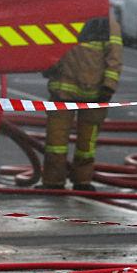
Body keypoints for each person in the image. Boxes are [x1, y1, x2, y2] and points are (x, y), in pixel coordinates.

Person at [40, 15, 123, 191]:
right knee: (56, 143)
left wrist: (108, 87)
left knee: (86, 145)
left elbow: (114, 57)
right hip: (67, 93)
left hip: (91, 95)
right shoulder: (64, 15)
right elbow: (47, 46)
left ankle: (82, 181)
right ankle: (53, 182)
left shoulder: (106, 23)